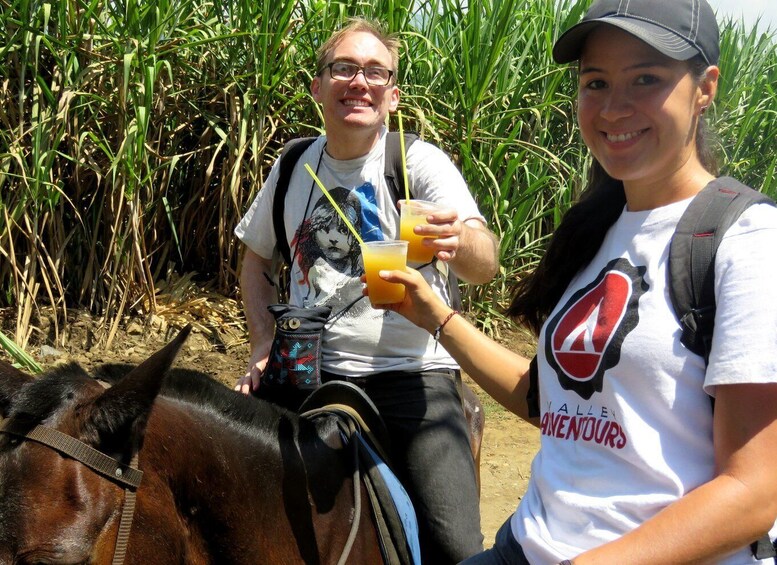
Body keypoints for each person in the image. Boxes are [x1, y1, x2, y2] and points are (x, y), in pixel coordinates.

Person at [376, 0, 777, 563]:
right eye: (596, 82)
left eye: (646, 78)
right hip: (530, 544)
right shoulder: (596, 228)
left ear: (705, 87)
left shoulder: (746, 240)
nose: (614, 107)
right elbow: (556, 406)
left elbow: (752, 492)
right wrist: (437, 318)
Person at [233, 17, 499, 563]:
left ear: (393, 95)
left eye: (376, 72)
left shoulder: (415, 162)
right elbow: (255, 260)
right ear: (318, 87)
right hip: (304, 367)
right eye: (345, 69)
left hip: (410, 374)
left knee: (455, 546)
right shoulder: (292, 167)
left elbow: (485, 262)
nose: (360, 81)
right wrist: (262, 343)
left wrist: (456, 240)